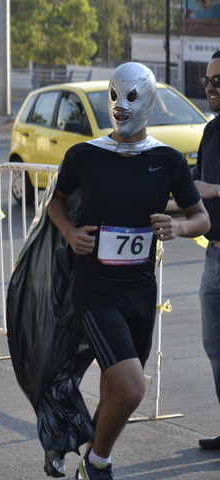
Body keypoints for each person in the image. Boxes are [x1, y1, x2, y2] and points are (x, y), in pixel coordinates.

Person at [46, 62, 209, 480]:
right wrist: (69, 232)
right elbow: (55, 203)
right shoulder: (84, 154)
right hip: (95, 289)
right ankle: (98, 462)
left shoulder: (168, 160)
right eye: (115, 95)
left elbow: (201, 218)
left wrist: (180, 226)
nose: (121, 105)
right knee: (133, 387)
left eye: (132, 96)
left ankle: (90, 455)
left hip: (140, 290)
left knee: (114, 386)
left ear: (149, 101)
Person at [191, 50, 220, 450]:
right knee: (215, 348)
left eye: (219, 81)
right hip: (213, 256)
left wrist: (215, 190)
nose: (211, 87)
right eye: (208, 81)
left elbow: (205, 188)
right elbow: (191, 188)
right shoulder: (211, 130)